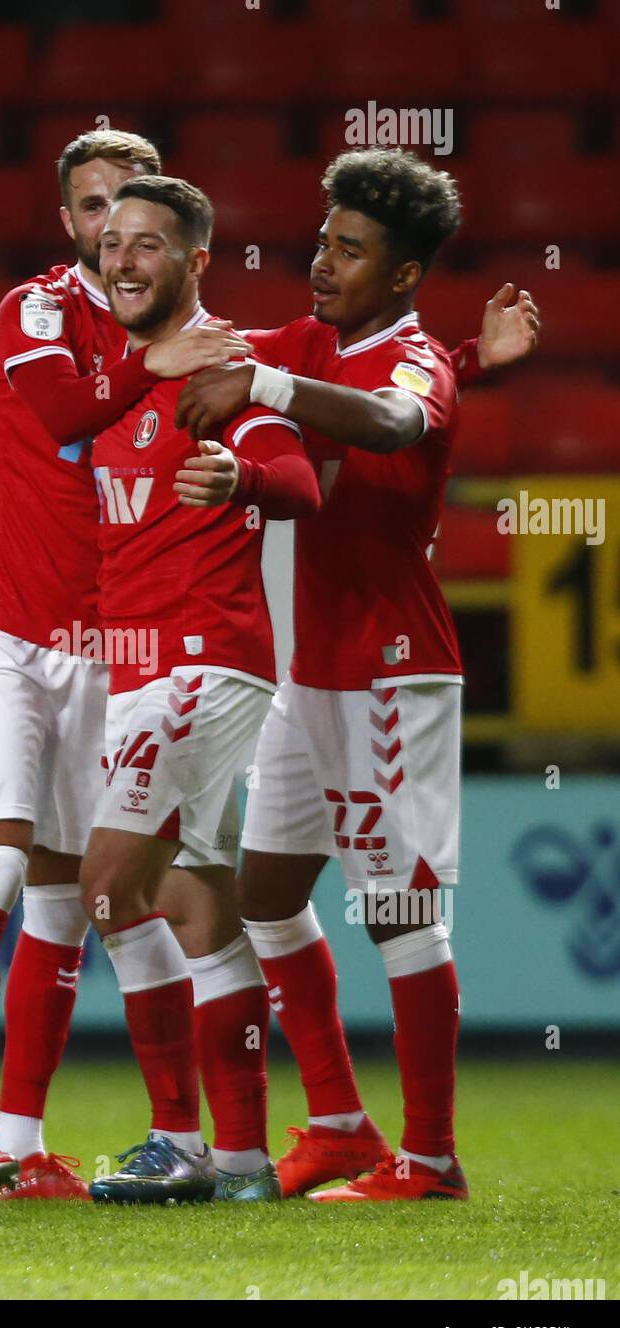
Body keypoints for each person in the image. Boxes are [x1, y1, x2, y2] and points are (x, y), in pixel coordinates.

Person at [175, 148, 539, 1201]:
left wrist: (275, 383)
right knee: (266, 894)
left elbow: (390, 416)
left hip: (392, 671)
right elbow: (237, 356)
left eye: (350, 248)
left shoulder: (411, 359)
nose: (322, 262)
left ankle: (430, 1159)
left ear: (405, 273)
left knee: (398, 912)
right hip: (313, 674)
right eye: (323, 240)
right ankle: (338, 1122)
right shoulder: (325, 341)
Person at [0, 131, 249, 1198]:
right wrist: (148, 365)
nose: (113, 238)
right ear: (67, 222)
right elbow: (70, 413)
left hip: (112, 644)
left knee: (80, 903)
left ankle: (25, 1142)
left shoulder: (194, 339)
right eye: (91, 213)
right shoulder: (33, 311)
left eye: (132, 215)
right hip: (5, 626)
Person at [79, 175, 322, 1203]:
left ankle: (177, 1136)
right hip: (141, 671)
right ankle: (242, 1159)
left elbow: (300, 482)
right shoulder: (111, 379)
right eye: (112, 241)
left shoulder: (224, 364)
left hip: (199, 662)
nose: (124, 260)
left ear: (195, 261)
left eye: (149, 244)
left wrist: (243, 481)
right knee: (196, 914)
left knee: (106, 887)